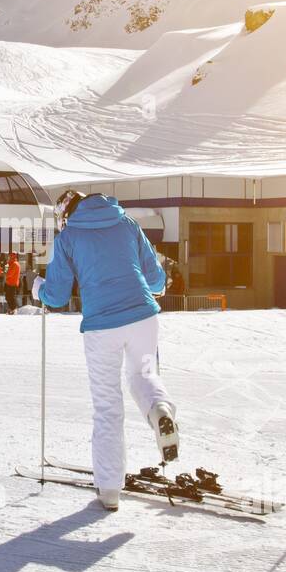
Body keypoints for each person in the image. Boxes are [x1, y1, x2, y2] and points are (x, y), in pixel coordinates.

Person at [34, 190, 178, 512]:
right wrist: (155, 284)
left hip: (102, 327)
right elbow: (155, 280)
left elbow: (55, 296)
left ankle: (110, 489)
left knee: (108, 406)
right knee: (144, 375)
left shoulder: (68, 237)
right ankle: (160, 413)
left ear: (65, 214)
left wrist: (37, 288)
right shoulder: (126, 223)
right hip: (144, 317)